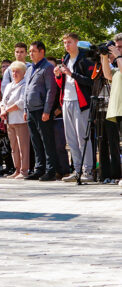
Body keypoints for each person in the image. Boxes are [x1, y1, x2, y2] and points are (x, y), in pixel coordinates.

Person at [53, 33, 94, 182]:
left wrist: (71, 74)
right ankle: (77, 170)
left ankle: (87, 171)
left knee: (83, 137)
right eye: (64, 43)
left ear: (77, 42)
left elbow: (90, 82)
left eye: (69, 42)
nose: (66, 45)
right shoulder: (65, 59)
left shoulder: (85, 58)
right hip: (67, 101)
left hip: (81, 102)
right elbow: (62, 83)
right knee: (70, 139)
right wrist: (58, 75)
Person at [23, 41, 58, 181]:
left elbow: (51, 90)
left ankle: (50, 170)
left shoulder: (48, 67)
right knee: (36, 141)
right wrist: (25, 108)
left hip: (42, 110)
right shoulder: (30, 68)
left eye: (33, 51)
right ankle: (39, 168)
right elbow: (26, 89)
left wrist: (47, 110)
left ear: (42, 52)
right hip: (31, 110)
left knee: (47, 141)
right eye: (30, 51)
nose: (31, 54)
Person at [0, 61, 29, 178]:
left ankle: (24, 170)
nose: (15, 74)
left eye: (17, 71)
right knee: (14, 147)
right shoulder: (8, 85)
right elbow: (3, 101)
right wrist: (2, 109)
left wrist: (6, 110)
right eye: (13, 71)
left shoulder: (25, 84)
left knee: (23, 147)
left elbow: (21, 102)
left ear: (23, 73)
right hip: (9, 120)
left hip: (20, 119)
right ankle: (16, 169)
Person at [101, 34, 122, 182]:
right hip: (117, 109)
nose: (116, 49)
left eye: (120, 47)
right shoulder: (117, 65)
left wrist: (118, 55)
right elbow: (108, 75)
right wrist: (104, 57)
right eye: (116, 46)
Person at [46, 56, 71, 177]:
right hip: (46, 117)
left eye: (52, 66)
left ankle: (65, 170)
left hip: (59, 117)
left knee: (60, 146)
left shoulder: (61, 81)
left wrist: (56, 112)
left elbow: (64, 97)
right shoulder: (45, 81)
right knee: (50, 146)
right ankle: (55, 170)